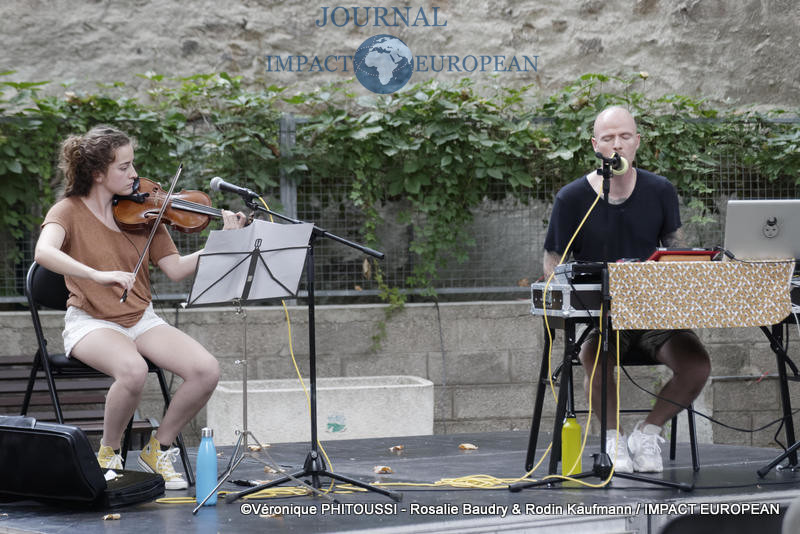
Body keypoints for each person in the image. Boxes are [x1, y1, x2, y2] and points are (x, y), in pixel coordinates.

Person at [34, 125, 246, 489]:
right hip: (90, 322)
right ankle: (109, 453)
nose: (134, 174)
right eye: (124, 167)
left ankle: (157, 449)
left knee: (205, 370)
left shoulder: (147, 210)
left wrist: (221, 242)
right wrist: (96, 275)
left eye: (133, 165)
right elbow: (43, 253)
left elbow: (177, 270)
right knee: (132, 370)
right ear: (98, 174)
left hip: (140, 318)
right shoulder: (67, 211)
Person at [542, 106, 711, 473]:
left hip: (655, 315)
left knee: (696, 365)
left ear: (637, 142)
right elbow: (553, 261)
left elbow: (675, 250)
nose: (616, 145)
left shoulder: (660, 190)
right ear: (595, 146)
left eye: (624, 136)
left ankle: (647, 433)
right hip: (600, 317)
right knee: (596, 357)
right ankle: (612, 439)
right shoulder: (571, 198)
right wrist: (566, 304)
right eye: (608, 138)